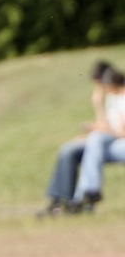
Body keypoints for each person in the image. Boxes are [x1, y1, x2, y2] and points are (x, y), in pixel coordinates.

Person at [40, 59, 117, 216]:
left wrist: (98, 106)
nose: (98, 89)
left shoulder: (119, 96)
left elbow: (116, 129)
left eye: (99, 84)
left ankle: (82, 199)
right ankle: (61, 200)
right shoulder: (110, 97)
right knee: (68, 150)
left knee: (89, 147)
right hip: (104, 140)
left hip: (113, 142)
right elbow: (104, 124)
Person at [69, 67, 125, 212]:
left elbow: (121, 132)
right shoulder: (114, 99)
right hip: (114, 142)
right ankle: (87, 195)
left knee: (94, 146)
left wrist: (102, 131)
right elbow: (106, 124)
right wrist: (98, 106)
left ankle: (83, 197)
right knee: (93, 145)